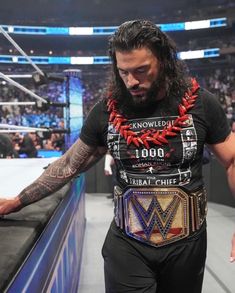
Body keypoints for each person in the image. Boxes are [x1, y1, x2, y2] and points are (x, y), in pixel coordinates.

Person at [0, 19, 235, 292]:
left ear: (163, 61)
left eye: (141, 70)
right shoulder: (106, 111)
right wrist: (18, 201)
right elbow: (69, 165)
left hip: (187, 246)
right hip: (128, 245)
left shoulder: (201, 104)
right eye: (123, 72)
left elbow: (231, 160)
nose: (131, 81)